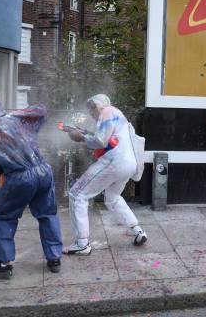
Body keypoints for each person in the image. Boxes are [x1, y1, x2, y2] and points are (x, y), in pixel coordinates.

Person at [0, 95, 63, 279]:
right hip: (44, 171)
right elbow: (41, 111)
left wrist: (1, 167)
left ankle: (3, 265)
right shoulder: (15, 119)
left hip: (20, 178)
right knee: (48, 214)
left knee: (2, 218)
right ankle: (54, 258)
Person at [63, 94, 147, 255]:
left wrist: (80, 137)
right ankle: (137, 230)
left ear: (98, 105)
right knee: (113, 198)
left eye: (91, 109)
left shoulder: (107, 112)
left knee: (77, 194)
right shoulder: (118, 115)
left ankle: (81, 243)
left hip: (115, 162)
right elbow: (108, 140)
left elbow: (100, 141)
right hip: (129, 164)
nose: (91, 114)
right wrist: (84, 132)